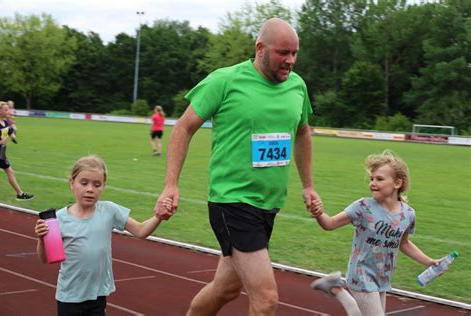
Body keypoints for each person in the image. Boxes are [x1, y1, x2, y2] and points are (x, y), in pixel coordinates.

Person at [154, 18, 321, 316]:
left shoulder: (297, 86)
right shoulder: (224, 80)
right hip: (232, 201)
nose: (290, 61)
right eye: (283, 52)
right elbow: (183, 128)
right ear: (260, 48)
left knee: (226, 289)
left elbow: (303, 132)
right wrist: (171, 184)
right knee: (266, 299)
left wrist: (308, 185)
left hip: (268, 204)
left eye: (295, 53)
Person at [34, 155, 174, 316]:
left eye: (97, 184)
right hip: (70, 297)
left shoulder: (109, 210)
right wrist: (41, 239)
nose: (90, 189)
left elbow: (141, 231)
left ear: (103, 187)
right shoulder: (59, 219)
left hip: (97, 296)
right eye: (84, 183)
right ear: (72, 183)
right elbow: (45, 259)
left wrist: (159, 217)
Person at [309, 150, 440, 316]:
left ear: (397, 183)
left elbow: (403, 243)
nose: (372, 183)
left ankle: (335, 288)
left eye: (379, 179)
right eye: (372, 179)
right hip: (361, 274)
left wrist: (428, 261)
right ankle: (336, 288)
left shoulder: (408, 214)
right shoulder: (363, 207)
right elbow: (330, 224)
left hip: (382, 276)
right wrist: (318, 213)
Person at [0, 101, 34, 200]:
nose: (8, 111)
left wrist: (13, 136)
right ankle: (20, 194)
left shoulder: (5, 122)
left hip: (0, 153)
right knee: (9, 171)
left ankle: (20, 194)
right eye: (5, 110)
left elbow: (10, 132)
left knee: (9, 171)